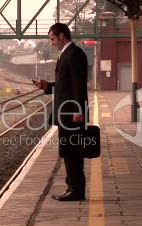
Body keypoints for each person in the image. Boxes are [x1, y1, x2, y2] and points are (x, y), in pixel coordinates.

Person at [34, 23, 88, 201]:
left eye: (52, 39)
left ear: (62, 36)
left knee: (72, 151)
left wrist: (78, 109)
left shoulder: (74, 54)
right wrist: (47, 86)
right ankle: (72, 187)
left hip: (71, 113)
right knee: (68, 150)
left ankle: (76, 190)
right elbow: (65, 86)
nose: (51, 43)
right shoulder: (66, 54)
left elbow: (78, 85)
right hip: (66, 112)